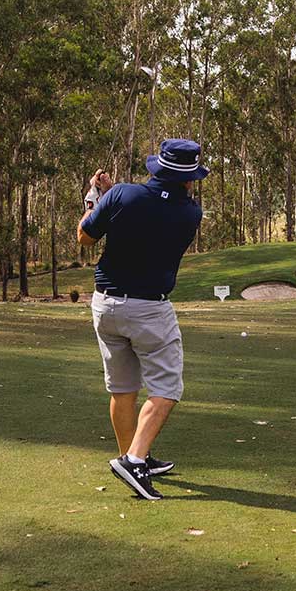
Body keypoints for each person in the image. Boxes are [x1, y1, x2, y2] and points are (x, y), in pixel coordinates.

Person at [78, 138, 206, 500]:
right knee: (166, 389)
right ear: (188, 178)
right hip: (150, 310)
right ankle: (134, 460)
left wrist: (95, 198)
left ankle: (133, 457)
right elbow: (153, 207)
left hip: (106, 306)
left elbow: (85, 237)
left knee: (123, 388)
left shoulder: (120, 195)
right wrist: (107, 197)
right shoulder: (189, 213)